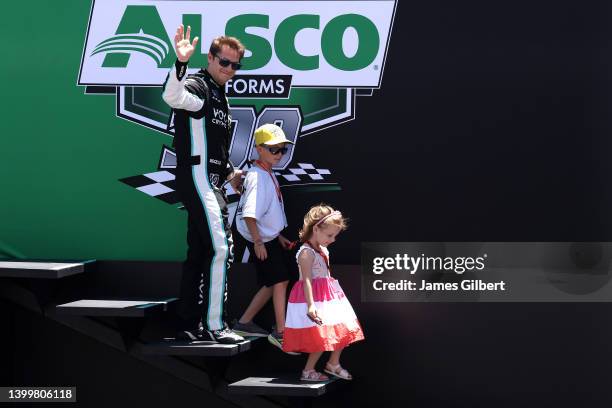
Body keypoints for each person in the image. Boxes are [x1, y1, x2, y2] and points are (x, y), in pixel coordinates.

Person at [161, 24, 245, 344]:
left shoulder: (220, 96)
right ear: (210, 58)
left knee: (199, 251)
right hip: (197, 180)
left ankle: (188, 321)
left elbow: (214, 147)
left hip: (211, 180)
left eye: (235, 65)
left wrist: (229, 172)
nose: (229, 70)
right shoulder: (198, 85)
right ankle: (215, 325)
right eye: (224, 62)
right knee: (221, 248)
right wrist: (180, 63)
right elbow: (172, 96)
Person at [231, 124, 298, 353]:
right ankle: (280, 333)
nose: (279, 154)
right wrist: (259, 242)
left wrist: (277, 235)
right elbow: (250, 214)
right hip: (261, 240)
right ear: (259, 149)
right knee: (280, 281)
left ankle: (244, 322)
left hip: (269, 238)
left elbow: (266, 212)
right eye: (273, 149)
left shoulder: (266, 172)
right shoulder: (259, 177)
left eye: (282, 150)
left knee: (274, 282)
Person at [282, 205, 365, 381]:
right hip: (314, 299)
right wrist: (311, 305)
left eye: (335, 236)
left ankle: (333, 363)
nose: (333, 239)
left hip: (329, 296)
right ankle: (308, 371)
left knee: (344, 327)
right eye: (330, 235)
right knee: (322, 335)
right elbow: (306, 281)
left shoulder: (323, 249)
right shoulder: (306, 253)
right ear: (316, 229)